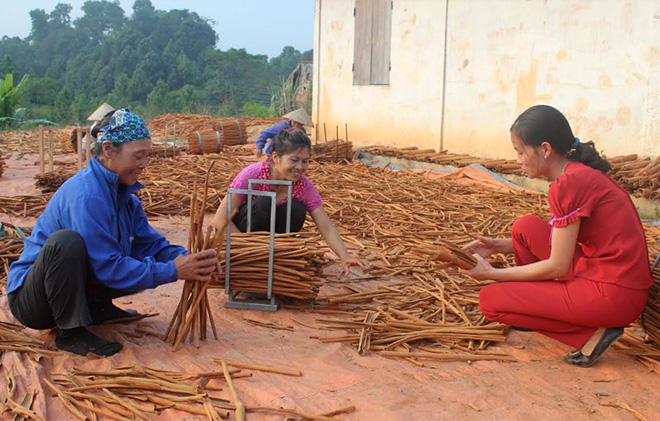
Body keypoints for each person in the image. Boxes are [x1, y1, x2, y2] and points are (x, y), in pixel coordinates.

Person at [6, 109, 219, 357]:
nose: (143, 164)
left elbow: (151, 246)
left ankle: (98, 308)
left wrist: (191, 260)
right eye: (138, 156)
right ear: (108, 150)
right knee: (66, 243)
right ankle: (70, 332)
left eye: (147, 156)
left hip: (73, 288)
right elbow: (107, 267)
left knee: (132, 258)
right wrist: (173, 270)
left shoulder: (125, 197)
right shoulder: (87, 195)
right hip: (35, 302)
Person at [461, 104, 652, 367]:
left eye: (520, 152)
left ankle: (590, 336)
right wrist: (499, 246)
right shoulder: (575, 174)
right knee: (524, 227)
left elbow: (558, 265)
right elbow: (559, 241)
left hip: (613, 293)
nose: (518, 160)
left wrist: (490, 274)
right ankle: (542, 306)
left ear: (545, 149)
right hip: (613, 278)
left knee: (490, 301)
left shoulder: (568, 184)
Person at [213, 127, 368, 275]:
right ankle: (251, 267)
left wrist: (344, 256)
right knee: (264, 203)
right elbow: (220, 219)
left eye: (305, 161)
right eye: (294, 160)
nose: (300, 167)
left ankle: (274, 263)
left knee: (296, 209)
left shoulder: (303, 186)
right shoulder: (252, 174)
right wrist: (247, 249)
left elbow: (326, 226)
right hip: (243, 240)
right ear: (275, 157)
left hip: (275, 246)